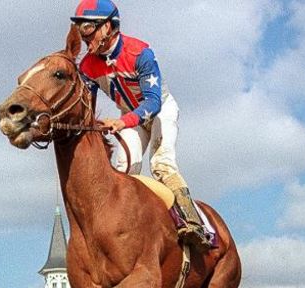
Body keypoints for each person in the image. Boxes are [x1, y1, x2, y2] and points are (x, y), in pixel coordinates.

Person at [71, 0, 214, 251]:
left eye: (88, 28)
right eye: (80, 29)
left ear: (107, 28)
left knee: (161, 164)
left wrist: (121, 122)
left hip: (159, 111)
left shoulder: (140, 53)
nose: (84, 36)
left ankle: (194, 223)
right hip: (128, 115)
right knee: (124, 167)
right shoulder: (87, 66)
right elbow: (88, 109)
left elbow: (153, 102)